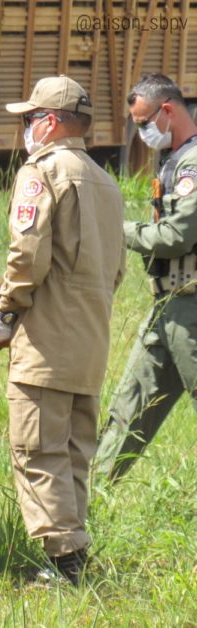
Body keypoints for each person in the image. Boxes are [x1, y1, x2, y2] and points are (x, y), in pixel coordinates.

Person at [0, 76, 126, 585]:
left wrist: (5, 312)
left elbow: (28, 254)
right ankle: (73, 554)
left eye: (29, 118)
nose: (25, 128)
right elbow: (115, 268)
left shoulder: (41, 172)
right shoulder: (105, 181)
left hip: (45, 341)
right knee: (72, 454)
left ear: (50, 121)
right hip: (91, 341)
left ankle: (67, 566)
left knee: (36, 452)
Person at [96, 74, 197, 481]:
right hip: (167, 307)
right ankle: (93, 497)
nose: (141, 133)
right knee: (130, 404)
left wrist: (119, 229)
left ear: (168, 111)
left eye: (143, 122)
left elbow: (177, 236)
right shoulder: (173, 159)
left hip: (190, 310)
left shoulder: (192, 164)